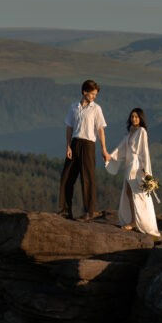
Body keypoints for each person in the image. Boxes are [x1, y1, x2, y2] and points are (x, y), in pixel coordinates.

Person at [58, 79, 110, 221]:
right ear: (84, 92)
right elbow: (69, 127)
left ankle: (90, 211)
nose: (94, 96)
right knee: (67, 177)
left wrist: (104, 150)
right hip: (75, 143)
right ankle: (66, 210)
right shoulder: (74, 107)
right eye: (92, 93)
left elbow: (100, 130)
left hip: (88, 145)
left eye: (95, 94)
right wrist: (68, 146)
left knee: (87, 178)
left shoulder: (96, 109)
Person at [105, 107, 160, 237]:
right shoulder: (129, 133)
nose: (134, 119)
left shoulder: (141, 131)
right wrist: (109, 156)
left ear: (140, 118)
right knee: (130, 193)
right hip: (129, 166)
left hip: (136, 166)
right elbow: (121, 149)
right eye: (132, 117)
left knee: (137, 194)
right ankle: (134, 220)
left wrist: (146, 171)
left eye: (136, 116)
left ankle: (139, 222)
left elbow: (144, 152)